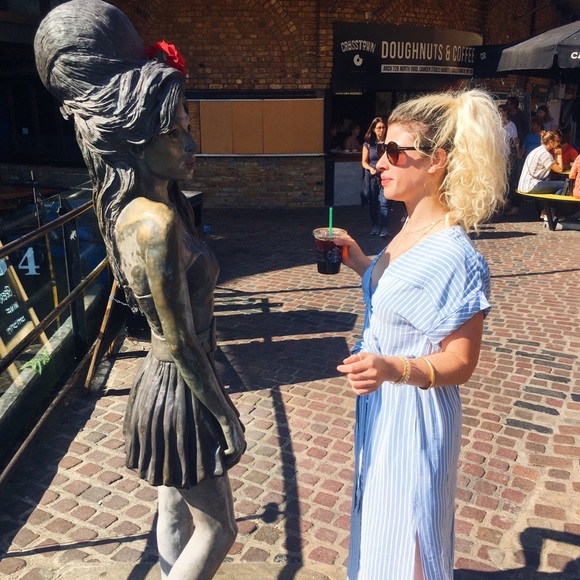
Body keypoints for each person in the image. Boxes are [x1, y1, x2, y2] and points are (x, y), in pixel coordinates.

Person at [34, 2, 246, 579]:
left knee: (173, 504)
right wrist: (224, 413)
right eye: (174, 133)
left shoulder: (147, 207)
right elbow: (177, 339)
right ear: (132, 141)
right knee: (219, 528)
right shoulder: (154, 222)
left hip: (171, 382)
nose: (191, 144)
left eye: (187, 128)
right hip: (179, 388)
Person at [334, 89, 507, 579]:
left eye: (393, 152)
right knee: (379, 528)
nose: (379, 163)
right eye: (380, 150)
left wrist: (392, 367)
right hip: (385, 407)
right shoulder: (409, 228)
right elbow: (403, 297)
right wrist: (362, 264)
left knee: (407, 538)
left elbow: (462, 362)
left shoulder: (455, 254)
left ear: (436, 161)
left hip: (414, 416)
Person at [517, 130, 565, 223]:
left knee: (554, 183)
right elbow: (559, 169)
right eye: (558, 141)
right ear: (551, 142)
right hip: (531, 185)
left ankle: (546, 210)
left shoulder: (537, 150)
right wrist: (559, 155)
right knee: (563, 185)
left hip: (524, 184)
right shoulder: (545, 154)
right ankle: (549, 211)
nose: (559, 143)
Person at [361, 117, 389, 237]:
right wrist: (370, 168)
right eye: (379, 128)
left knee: (384, 202)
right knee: (373, 202)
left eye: (383, 127)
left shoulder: (388, 143)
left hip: (385, 176)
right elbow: (364, 162)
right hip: (373, 176)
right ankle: (375, 225)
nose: (381, 130)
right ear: (373, 129)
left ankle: (384, 227)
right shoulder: (368, 144)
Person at [499, 104, 520, 216]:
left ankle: (505, 202)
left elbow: (516, 140)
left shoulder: (511, 126)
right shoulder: (494, 124)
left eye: (503, 111)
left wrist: (517, 152)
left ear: (506, 112)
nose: (501, 113)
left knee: (506, 177)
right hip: (496, 154)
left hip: (505, 154)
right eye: (499, 111)